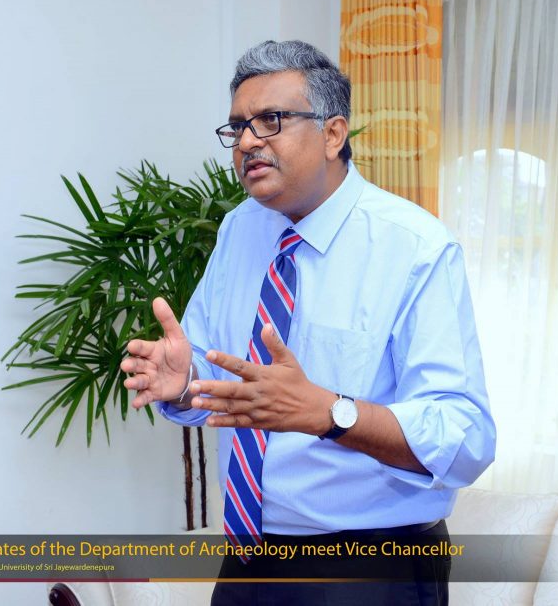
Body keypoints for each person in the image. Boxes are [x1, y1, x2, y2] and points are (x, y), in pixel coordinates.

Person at [121, 40, 494, 605]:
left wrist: (328, 413)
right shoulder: (239, 230)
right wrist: (185, 379)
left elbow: (465, 437)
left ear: (333, 133)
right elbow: (220, 376)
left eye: (271, 120)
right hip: (247, 559)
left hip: (369, 568)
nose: (248, 141)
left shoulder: (415, 247)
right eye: (238, 127)